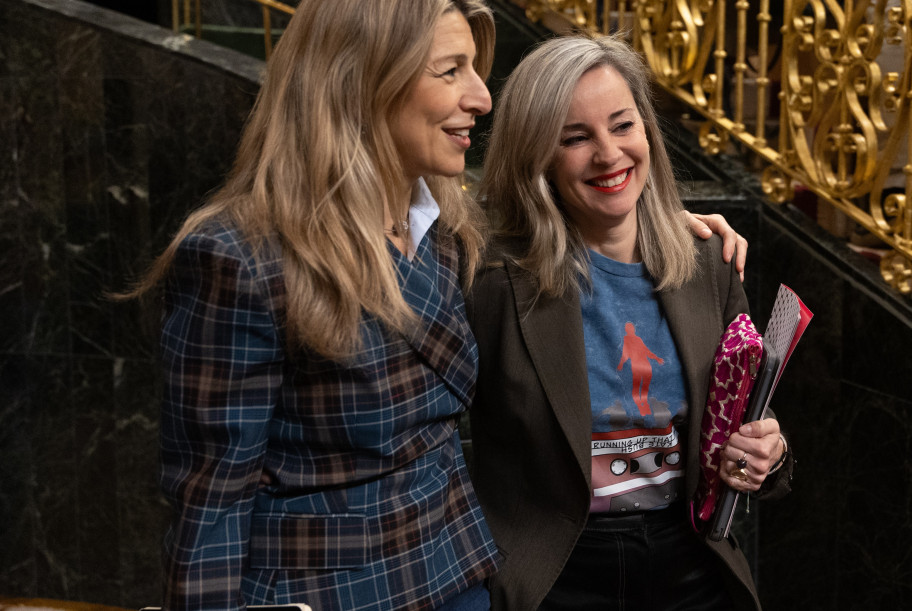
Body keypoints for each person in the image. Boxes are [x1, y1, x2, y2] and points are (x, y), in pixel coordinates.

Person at [120, 1, 749, 609]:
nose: (481, 96)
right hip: (327, 596)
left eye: (474, 69)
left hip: (460, 579)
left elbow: (571, 224)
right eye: (451, 71)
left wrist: (660, 224)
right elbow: (212, 507)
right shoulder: (239, 255)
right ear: (362, 81)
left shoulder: (450, 235)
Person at [467, 35, 793, 610]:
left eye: (623, 125)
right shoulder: (492, 283)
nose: (609, 154)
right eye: (575, 138)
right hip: (556, 576)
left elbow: (744, 421)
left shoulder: (707, 264)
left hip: (693, 566)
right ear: (536, 155)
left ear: (647, 129)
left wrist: (769, 452)